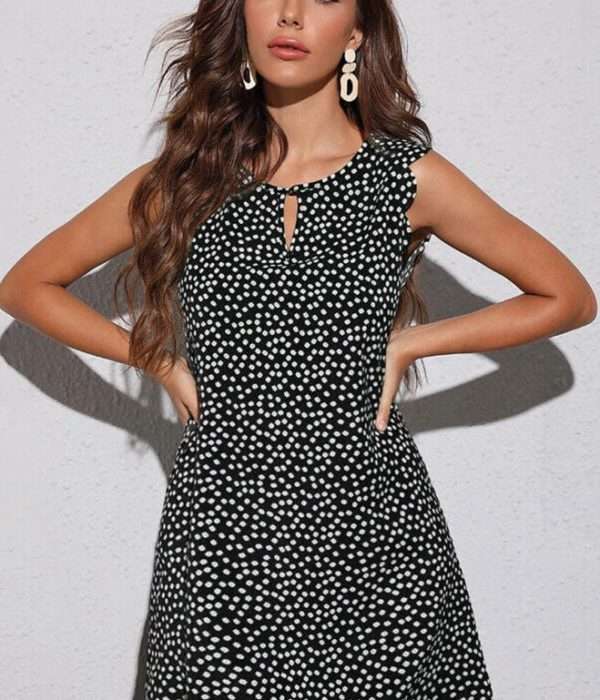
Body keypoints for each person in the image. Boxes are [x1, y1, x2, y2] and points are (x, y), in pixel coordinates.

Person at [1, 2, 596, 698]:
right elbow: (26, 286)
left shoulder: (406, 177)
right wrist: (156, 360)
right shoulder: (187, 180)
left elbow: (567, 296)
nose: (290, 15)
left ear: (357, 32)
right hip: (223, 529)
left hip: (373, 529)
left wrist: (412, 345)